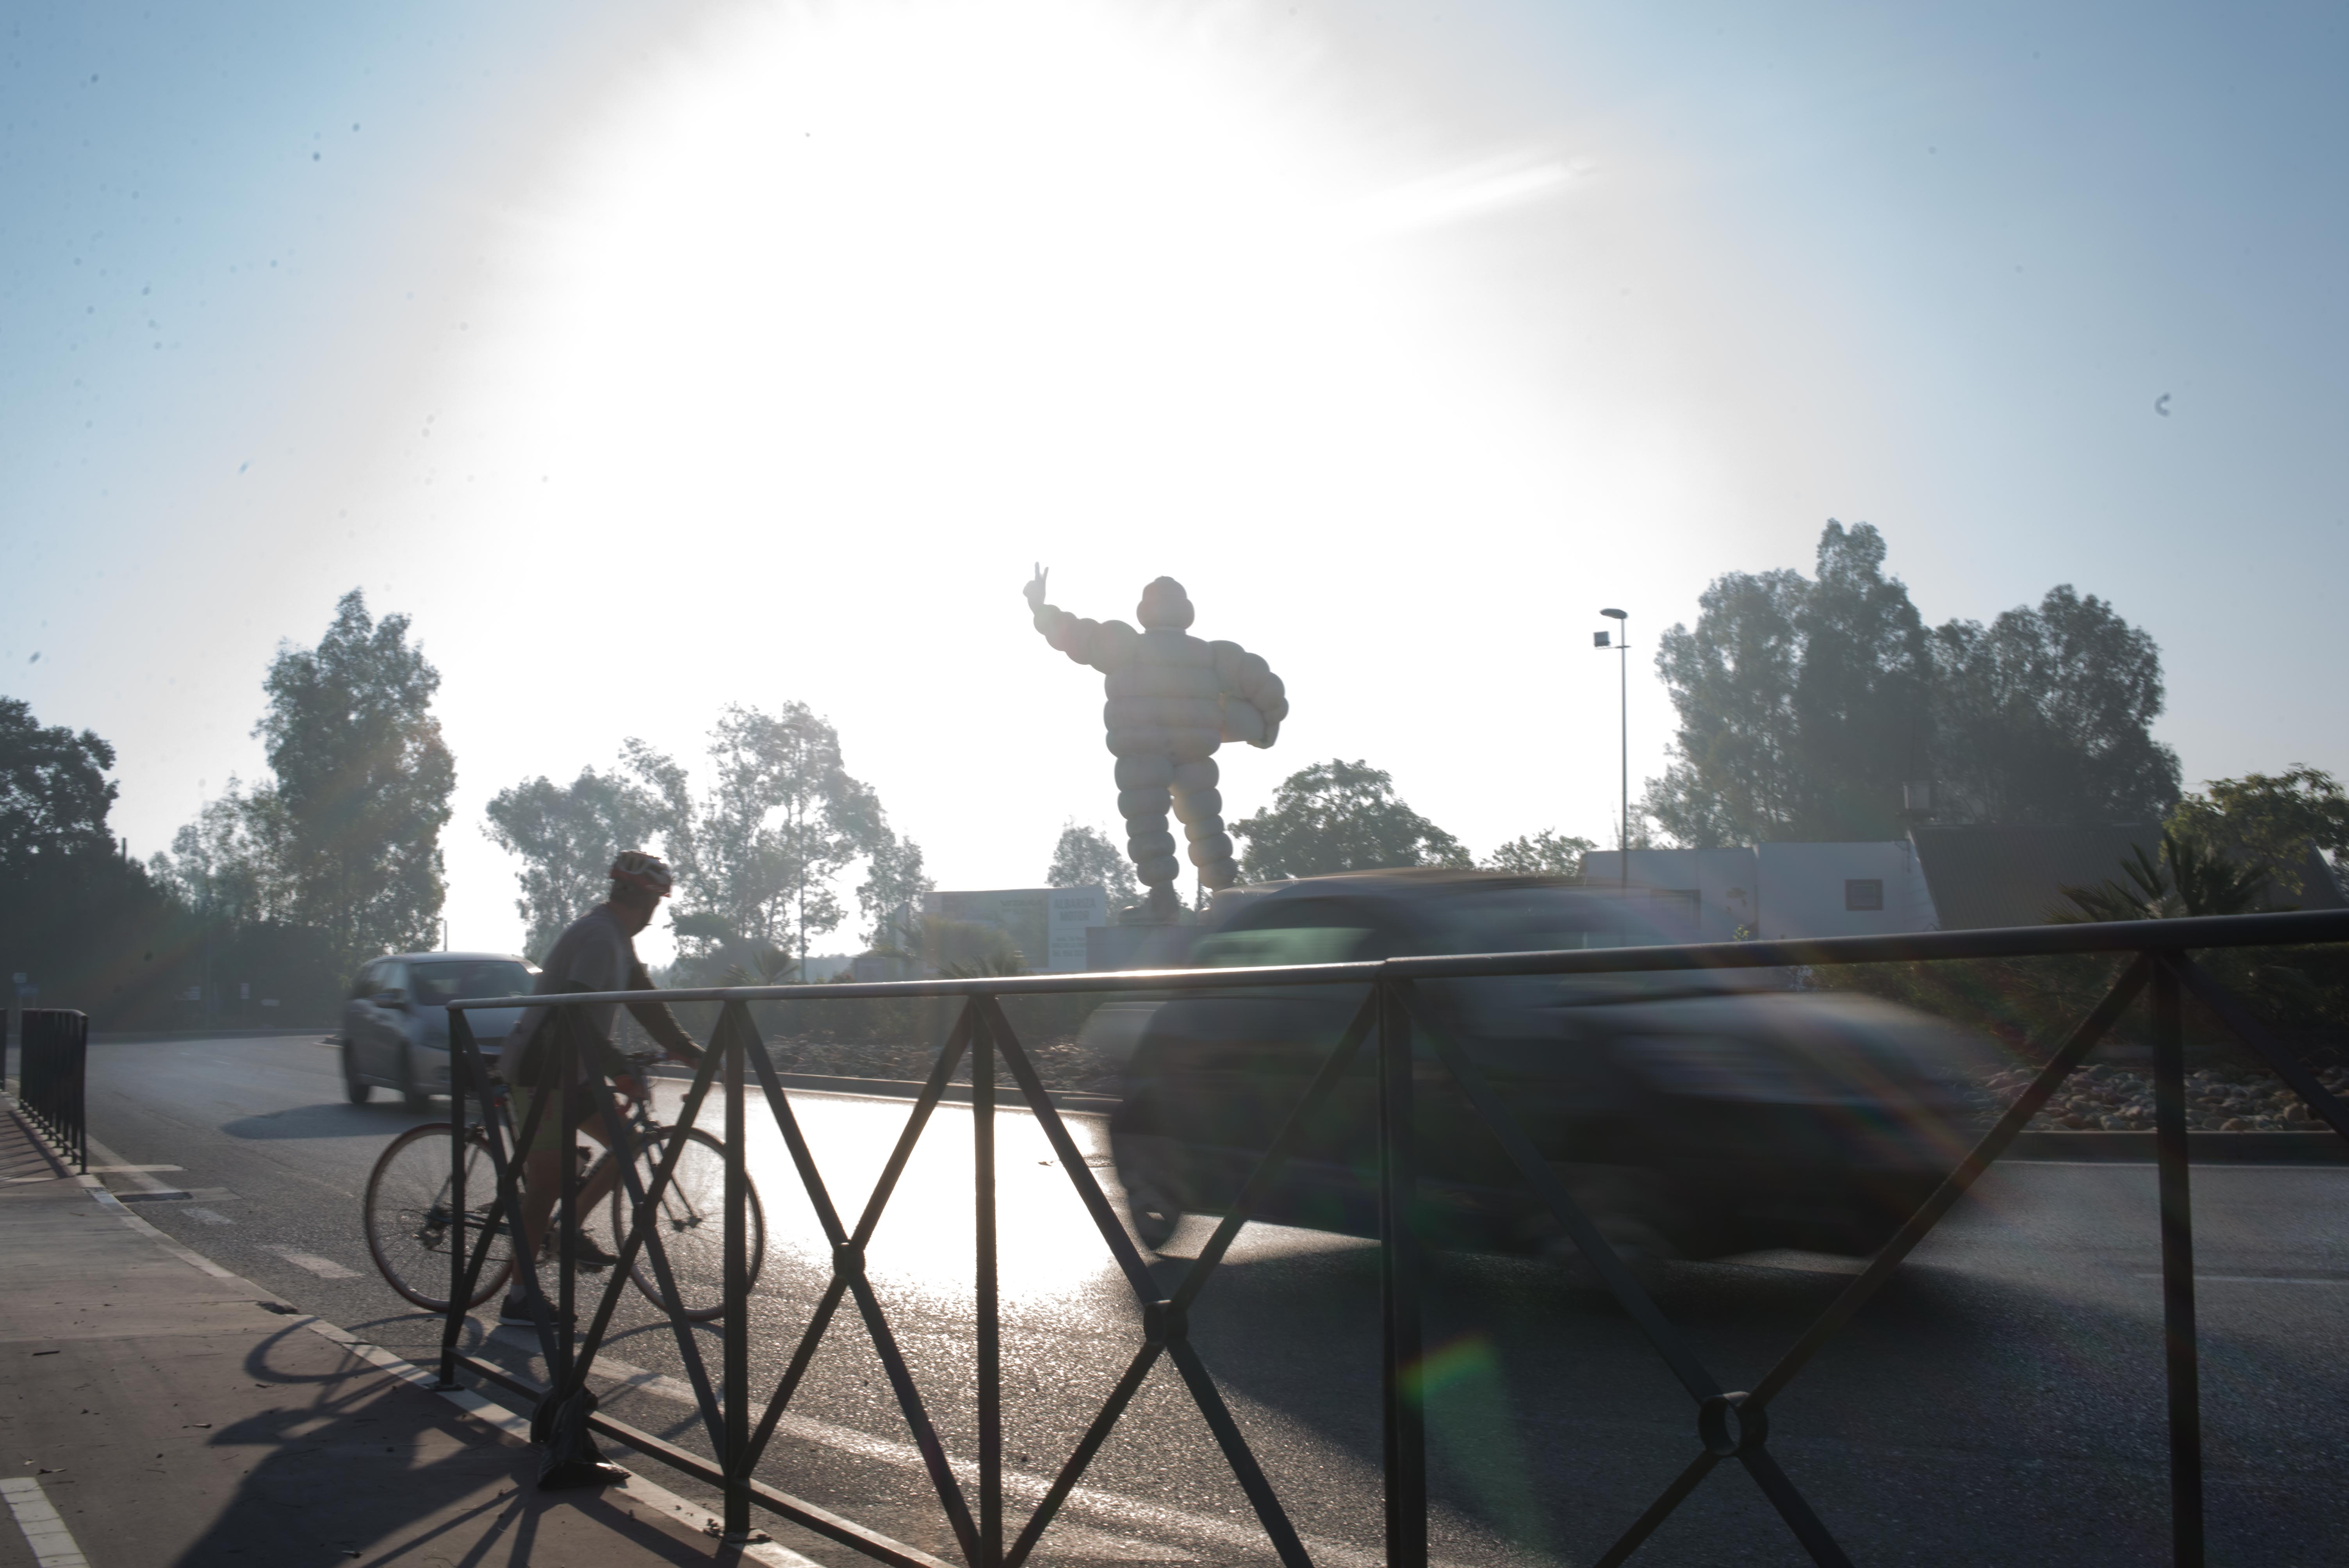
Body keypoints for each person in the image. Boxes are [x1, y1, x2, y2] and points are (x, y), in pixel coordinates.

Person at [498, 850, 704, 1326]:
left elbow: (643, 999)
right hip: (540, 1071)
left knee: (628, 1141)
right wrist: (618, 1069)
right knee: (546, 1183)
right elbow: (570, 1013)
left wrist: (688, 1048)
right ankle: (519, 1298)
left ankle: (565, 1228)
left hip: (575, 1071)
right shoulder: (598, 937)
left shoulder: (616, 937)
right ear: (650, 902)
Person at [1023, 565, 1288, 920]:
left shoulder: (1123, 645)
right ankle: (1226, 897)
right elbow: (1266, 685)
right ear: (1187, 612)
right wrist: (1266, 730)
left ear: (1144, 612)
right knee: (1206, 821)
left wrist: (1040, 608)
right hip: (1196, 751)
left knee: (1148, 823)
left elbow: (1073, 635)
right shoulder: (1214, 655)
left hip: (1141, 752)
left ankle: (1163, 898)